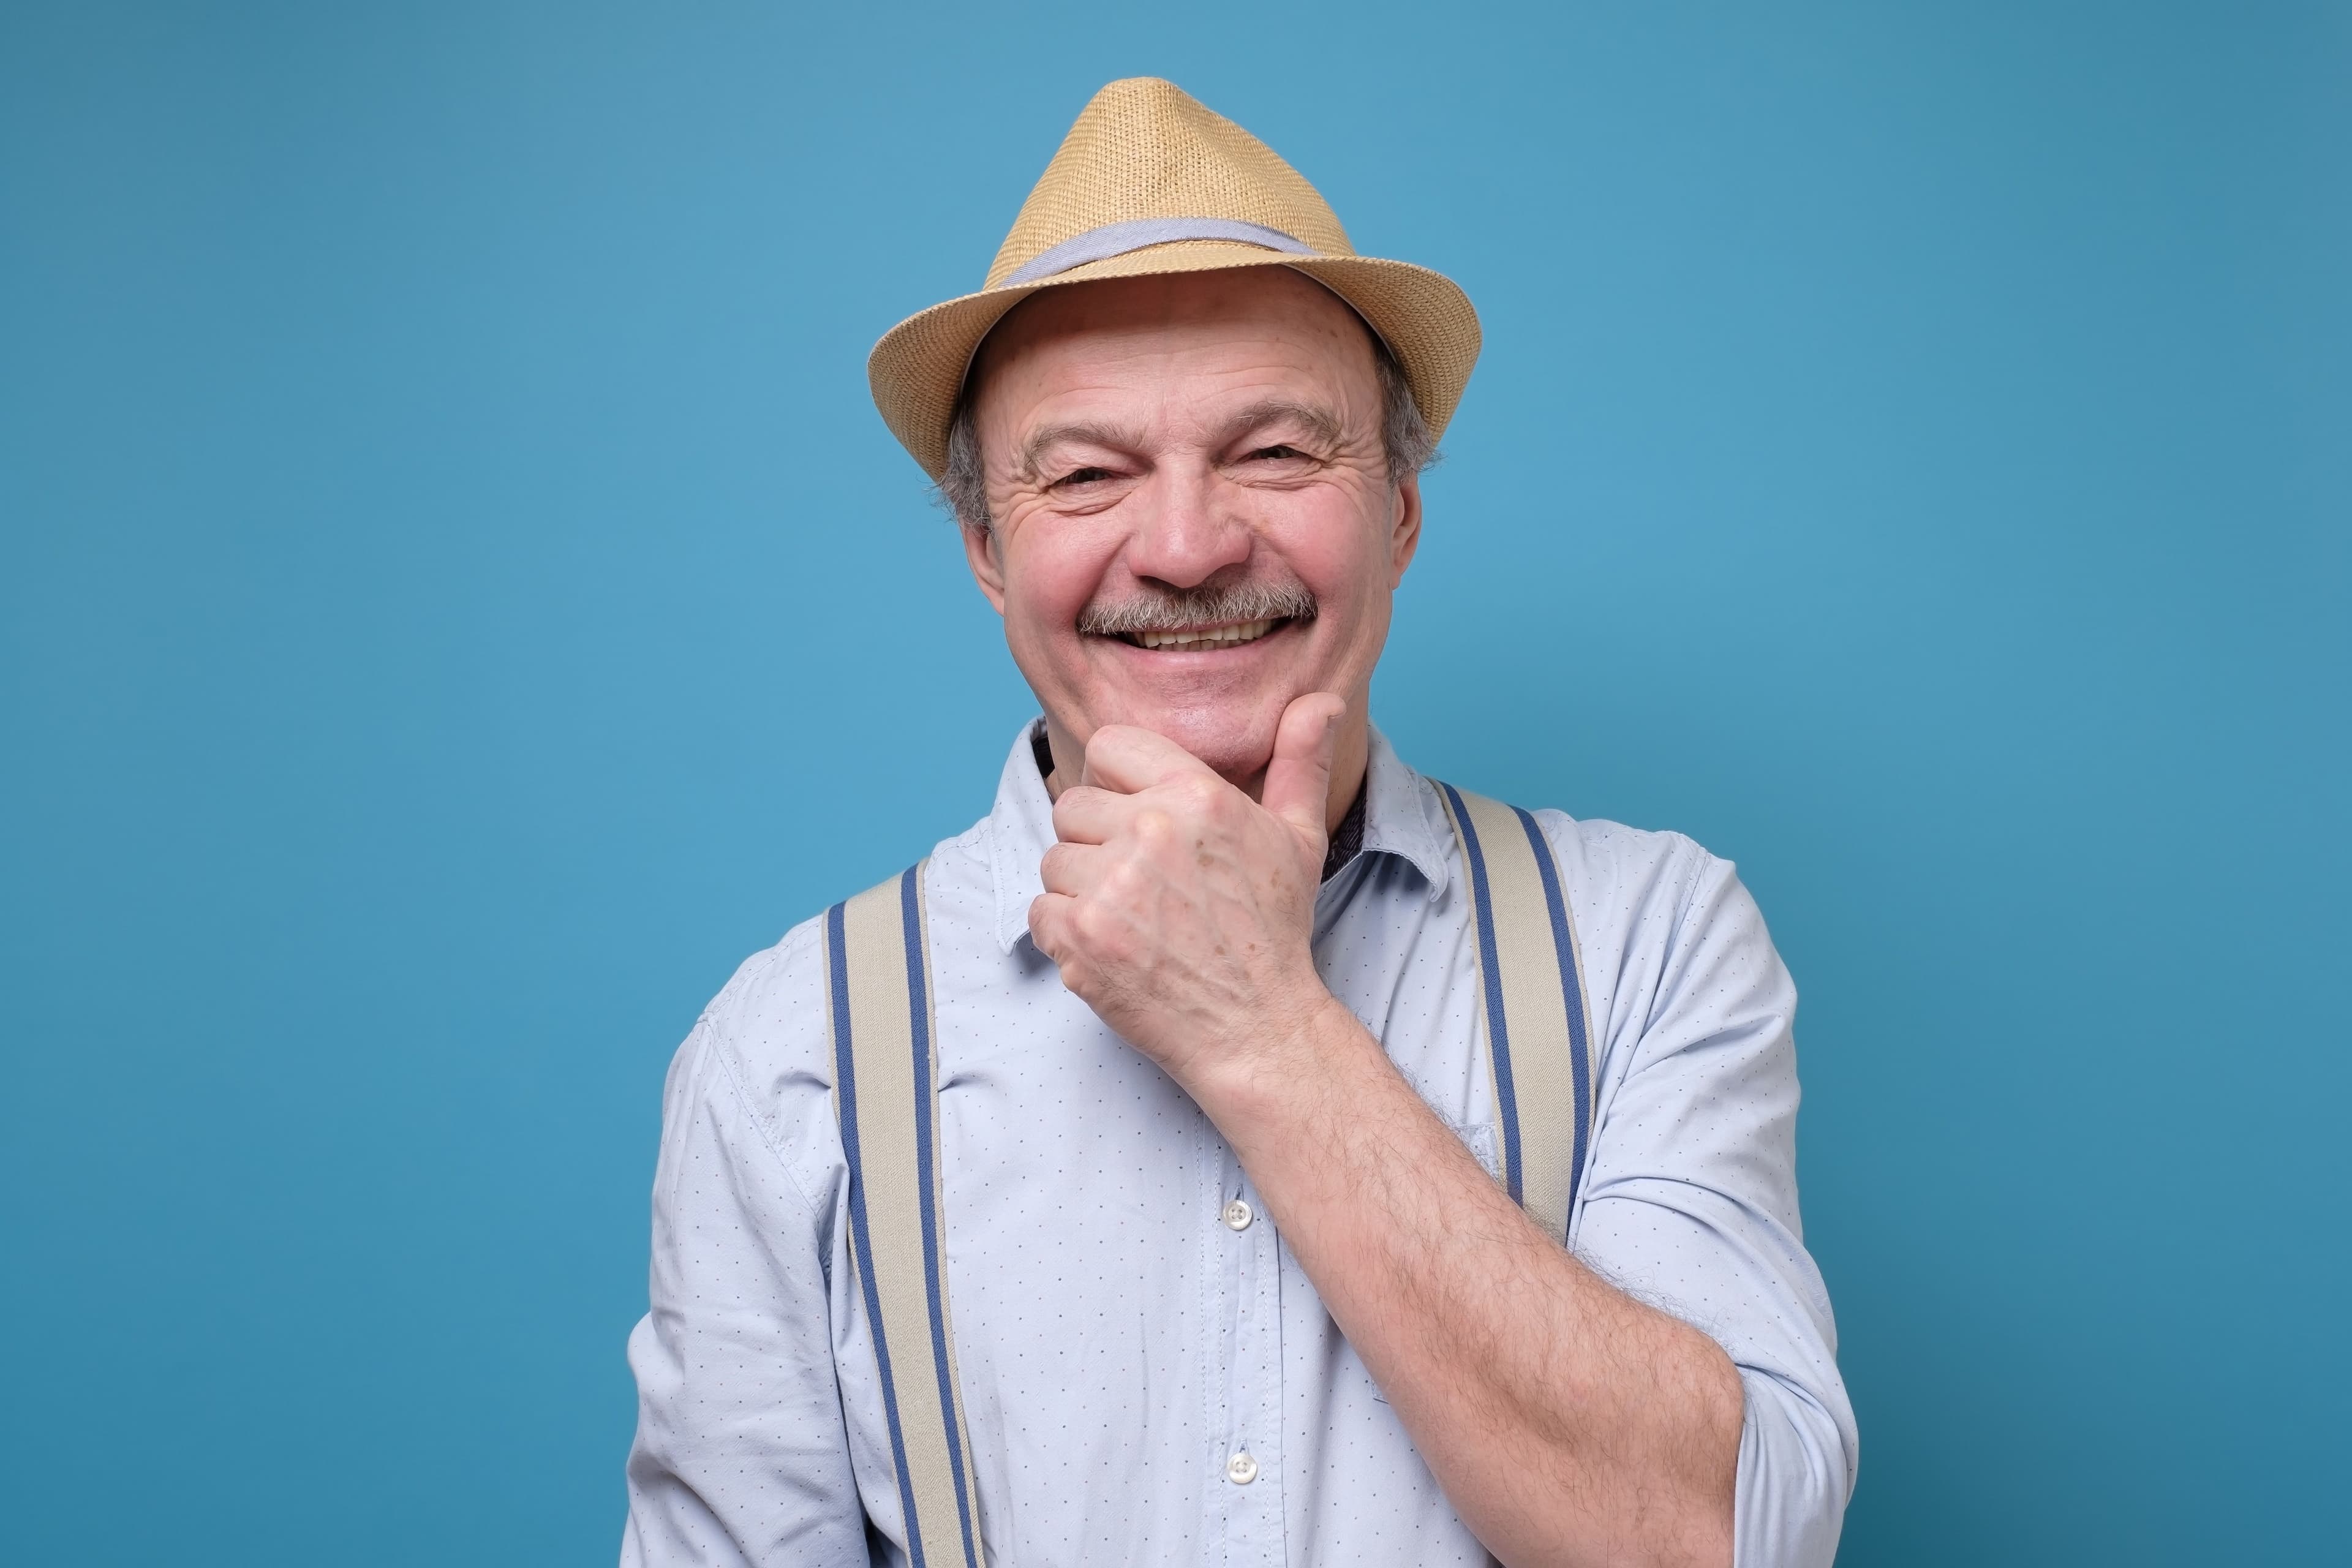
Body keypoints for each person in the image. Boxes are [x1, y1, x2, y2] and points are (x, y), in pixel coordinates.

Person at [621, 77, 1855, 1568]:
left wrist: (1264, 1021)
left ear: (1399, 509)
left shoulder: (1647, 937)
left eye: (1276, 452)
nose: (1191, 545)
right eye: (1085, 474)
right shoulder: (791, 1052)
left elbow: (1731, 1544)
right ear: (985, 548)